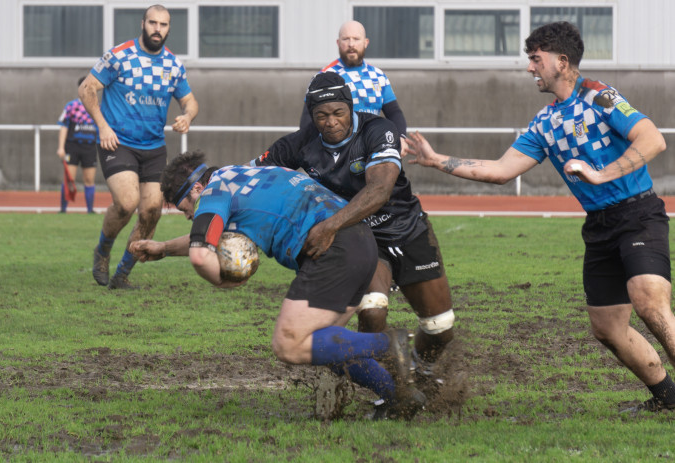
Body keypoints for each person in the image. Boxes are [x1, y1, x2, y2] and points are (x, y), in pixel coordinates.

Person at [406, 21, 675, 414]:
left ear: (561, 62)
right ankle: (667, 397)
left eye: (535, 59)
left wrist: (602, 173)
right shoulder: (545, 122)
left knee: (649, 302)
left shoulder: (600, 97)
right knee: (607, 328)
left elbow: (653, 139)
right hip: (599, 226)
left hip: (639, 214)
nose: (530, 68)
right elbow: (500, 170)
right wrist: (436, 161)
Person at [129, 151, 426, 420]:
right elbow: (206, 235)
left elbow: (199, 254)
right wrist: (164, 247)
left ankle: (388, 344)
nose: (189, 216)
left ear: (196, 189)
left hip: (333, 251)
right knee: (323, 344)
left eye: (185, 208)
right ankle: (399, 395)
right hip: (359, 242)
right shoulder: (244, 174)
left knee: (289, 343)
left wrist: (222, 280)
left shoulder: (212, 192)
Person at [251, 72, 457, 385]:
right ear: (311, 116)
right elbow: (251, 175)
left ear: (350, 108)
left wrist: (329, 226)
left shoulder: (378, 130)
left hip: (407, 229)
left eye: (338, 113)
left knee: (440, 327)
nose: (330, 122)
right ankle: (391, 384)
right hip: (363, 239)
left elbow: (379, 190)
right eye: (321, 115)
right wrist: (213, 188)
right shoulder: (301, 142)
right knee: (372, 311)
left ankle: (423, 370)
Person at [79, 4, 199, 290]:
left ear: (169, 29)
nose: (158, 29)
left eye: (164, 25)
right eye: (153, 23)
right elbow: (87, 88)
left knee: (151, 211)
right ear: (143, 23)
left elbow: (190, 101)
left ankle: (122, 275)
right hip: (117, 142)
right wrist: (103, 126)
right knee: (127, 202)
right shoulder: (119, 56)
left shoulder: (172, 65)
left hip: (154, 148)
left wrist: (187, 116)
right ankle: (103, 251)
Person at [299, 20, 408, 141]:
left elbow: (394, 113)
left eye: (356, 39)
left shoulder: (378, 76)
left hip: (372, 147)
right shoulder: (323, 77)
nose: (351, 44)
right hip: (336, 152)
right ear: (338, 43)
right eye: (346, 39)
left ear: (366, 43)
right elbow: (307, 120)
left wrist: (401, 138)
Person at [56, 76, 99, 214]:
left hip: (90, 147)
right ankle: (63, 210)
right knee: (69, 179)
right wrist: (61, 147)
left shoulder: (98, 107)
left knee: (89, 179)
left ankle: (90, 210)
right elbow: (63, 127)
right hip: (72, 147)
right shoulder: (71, 106)